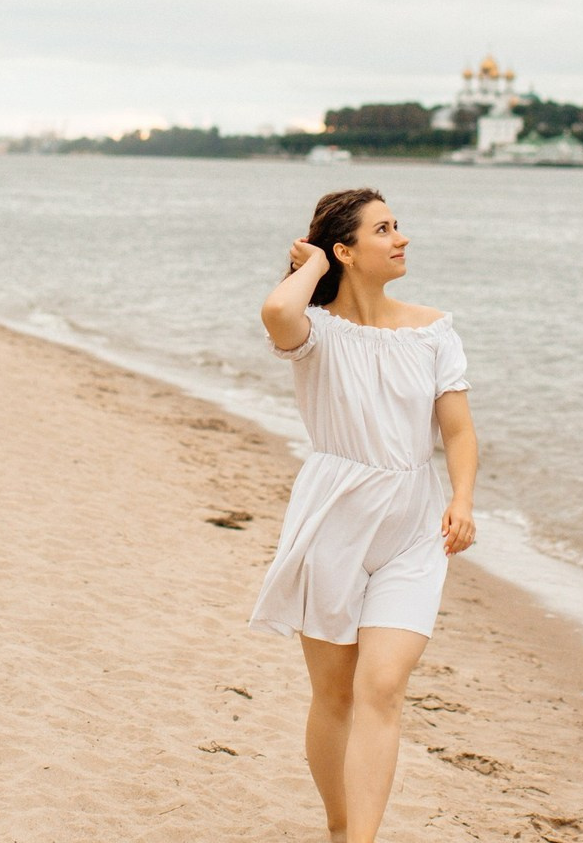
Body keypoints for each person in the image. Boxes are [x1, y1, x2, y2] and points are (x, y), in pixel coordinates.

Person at [251, 187, 478, 843]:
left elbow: (458, 434)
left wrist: (461, 500)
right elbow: (275, 308)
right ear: (347, 250)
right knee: (336, 696)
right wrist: (312, 266)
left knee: (382, 686)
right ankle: (339, 824)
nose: (401, 238)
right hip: (333, 522)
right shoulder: (313, 332)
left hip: (414, 524)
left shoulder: (434, 330)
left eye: (398, 225)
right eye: (383, 230)